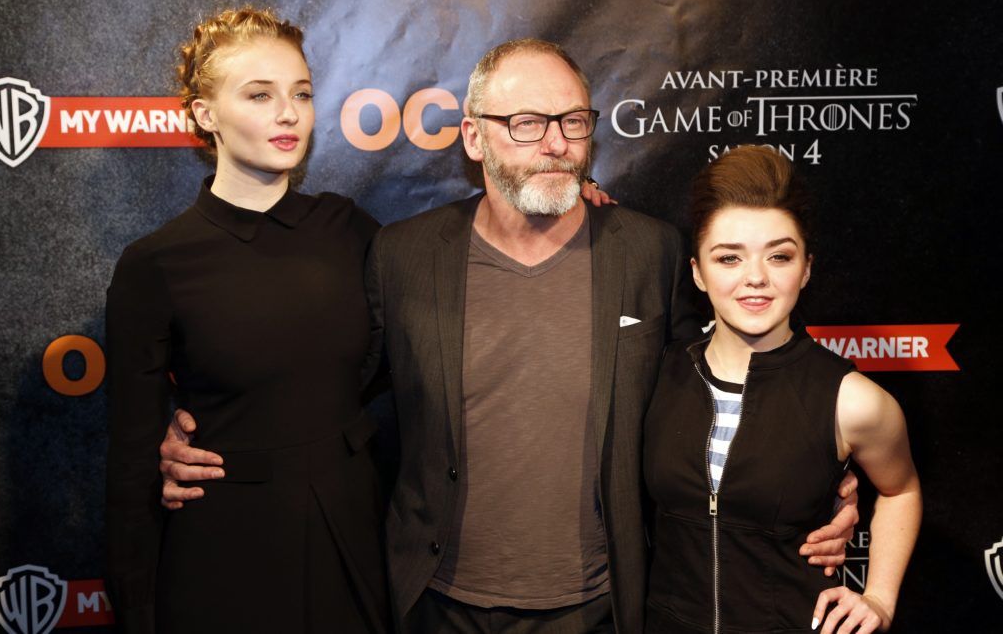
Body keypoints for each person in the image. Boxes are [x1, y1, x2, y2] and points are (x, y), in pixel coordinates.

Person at [159, 39, 858, 633]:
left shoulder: (650, 252)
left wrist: (821, 478)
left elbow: (711, 385)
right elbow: (329, 386)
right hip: (437, 602)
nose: (555, 143)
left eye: (573, 121)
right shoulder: (404, 255)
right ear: (472, 137)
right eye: (525, 122)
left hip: (599, 605)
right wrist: (212, 430)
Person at [104, 7, 390, 633]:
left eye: (302, 94)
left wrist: (570, 205)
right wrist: (137, 611)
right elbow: (130, 462)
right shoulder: (155, 264)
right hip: (223, 546)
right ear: (206, 115)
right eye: (259, 95)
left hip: (353, 535)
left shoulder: (350, 232)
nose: (289, 113)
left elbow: (452, 282)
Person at [643, 146, 922, 633]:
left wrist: (879, 597)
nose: (756, 278)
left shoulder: (852, 400)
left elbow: (901, 491)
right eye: (729, 258)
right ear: (697, 273)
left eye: (779, 256)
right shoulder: (657, 375)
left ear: (807, 268)